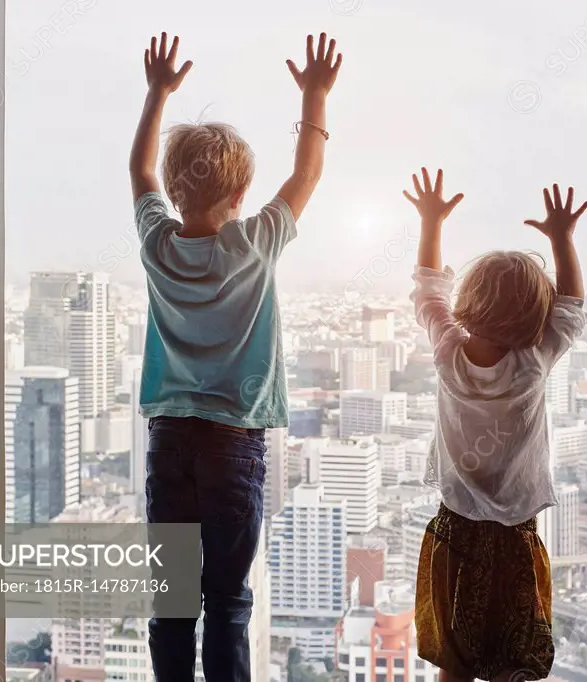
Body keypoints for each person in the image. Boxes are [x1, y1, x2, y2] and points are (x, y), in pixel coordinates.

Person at [128, 31, 342, 681]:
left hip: (170, 439)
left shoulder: (157, 244)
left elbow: (139, 172)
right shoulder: (255, 244)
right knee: (229, 599)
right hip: (233, 440)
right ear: (241, 195)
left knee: (172, 604)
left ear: (175, 189)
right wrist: (312, 97)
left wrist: (156, 95)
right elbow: (306, 173)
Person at [404, 168, 587, 682]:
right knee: (516, 658)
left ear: (469, 303)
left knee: (455, 660)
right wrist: (562, 240)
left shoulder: (447, 352)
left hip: (456, 525)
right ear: (536, 315)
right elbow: (572, 308)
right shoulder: (533, 363)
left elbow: (428, 288)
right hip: (514, 532)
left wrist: (431, 222)